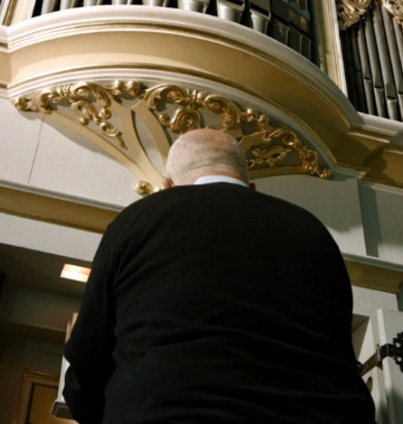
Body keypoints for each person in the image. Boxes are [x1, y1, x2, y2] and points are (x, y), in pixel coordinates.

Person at [63, 128, 376, 424]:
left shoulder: (137, 220)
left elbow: (89, 352)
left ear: (168, 185)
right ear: (250, 187)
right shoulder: (312, 231)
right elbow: (339, 350)